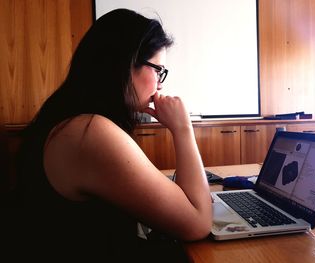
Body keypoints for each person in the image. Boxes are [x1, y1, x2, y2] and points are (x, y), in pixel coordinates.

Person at [11, 8, 212, 262]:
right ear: (126, 64)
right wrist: (183, 129)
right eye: (158, 70)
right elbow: (197, 222)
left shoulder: (71, 120)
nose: (161, 84)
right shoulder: (90, 133)